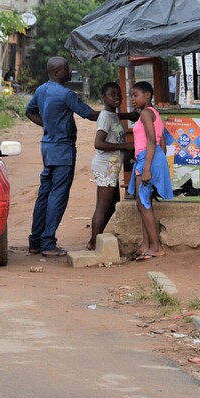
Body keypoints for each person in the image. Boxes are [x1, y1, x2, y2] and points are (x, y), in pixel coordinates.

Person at [25, 57, 136, 257]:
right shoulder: (66, 94)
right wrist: (127, 116)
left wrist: (49, 125)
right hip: (63, 149)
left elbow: (29, 112)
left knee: (44, 194)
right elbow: (91, 115)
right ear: (58, 72)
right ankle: (48, 243)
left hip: (48, 147)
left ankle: (35, 241)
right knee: (58, 195)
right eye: (67, 68)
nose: (70, 71)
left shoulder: (42, 90)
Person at [127, 81, 172, 261]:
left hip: (147, 159)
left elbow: (152, 141)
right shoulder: (154, 113)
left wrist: (146, 168)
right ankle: (146, 245)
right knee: (143, 203)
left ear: (148, 95)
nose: (132, 99)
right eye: (132, 95)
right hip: (153, 158)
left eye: (135, 95)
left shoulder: (146, 114)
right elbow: (162, 143)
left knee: (143, 203)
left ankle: (155, 247)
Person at [87, 82, 134, 251]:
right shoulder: (106, 117)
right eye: (112, 94)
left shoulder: (113, 115)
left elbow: (121, 116)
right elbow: (98, 143)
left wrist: (131, 115)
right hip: (105, 166)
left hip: (112, 167)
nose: (117, 97)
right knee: (102, 206)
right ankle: (94, 242)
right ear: (103, 97)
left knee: (113, 202)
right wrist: (125, 147)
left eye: (119, 94)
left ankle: (97, 237)